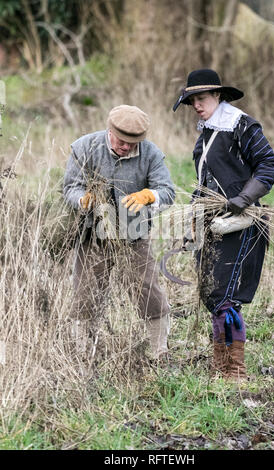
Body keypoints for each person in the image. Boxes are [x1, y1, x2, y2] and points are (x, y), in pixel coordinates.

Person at [173, 69, 274, 381]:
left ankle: (235, 371)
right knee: (213, 294)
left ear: (218, 96)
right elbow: (204, 183)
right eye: (192, 100)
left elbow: (270, 164)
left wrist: (244, 199)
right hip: (211, 222)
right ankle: (219, 367)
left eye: (202, 98)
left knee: (226, 296)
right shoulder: (206, 133)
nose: (196, 104)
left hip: (241, 223)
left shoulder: (240, 125)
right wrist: (194, 223)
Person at [63, 104, 175, 361]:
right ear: (109, 130)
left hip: (134, 234)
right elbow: (70, 187)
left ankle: (160, 352)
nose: (127, 147)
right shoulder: (84, 147)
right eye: (122, 141)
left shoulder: (150, 154)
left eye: (133, 143)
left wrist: (150, 195)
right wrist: (83, 200)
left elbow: (168, 191)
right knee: (86, 294)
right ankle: (83, 353)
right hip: (93, 235)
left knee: (148, 291)